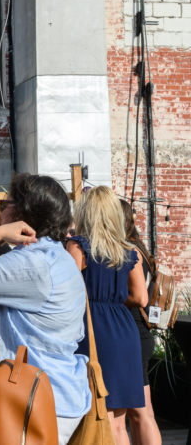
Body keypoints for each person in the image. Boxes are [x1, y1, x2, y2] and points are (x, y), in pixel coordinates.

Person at [0, 173, 90, 444]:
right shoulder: (57, 257)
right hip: (54, 391)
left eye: (5, 203)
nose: (0, 210)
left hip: (32, 398)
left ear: (23, 212)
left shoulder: (34, 265)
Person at [67, 187, 149, 445]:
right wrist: (112, 298)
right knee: (118, 423)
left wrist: (96, 299)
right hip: (124, 330)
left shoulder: (78, 246)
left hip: (92, 328)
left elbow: (67, 291)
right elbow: (141, 297)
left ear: (85, 212)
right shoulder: (129, 250)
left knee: (93, 417)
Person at [120, 200, 162, 445]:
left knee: (141, 413)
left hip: (135, 332)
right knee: (139, 413)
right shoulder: (138, 247)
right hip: (138, 331)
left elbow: (138, 297)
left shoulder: (131, 250)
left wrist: (106, 299)